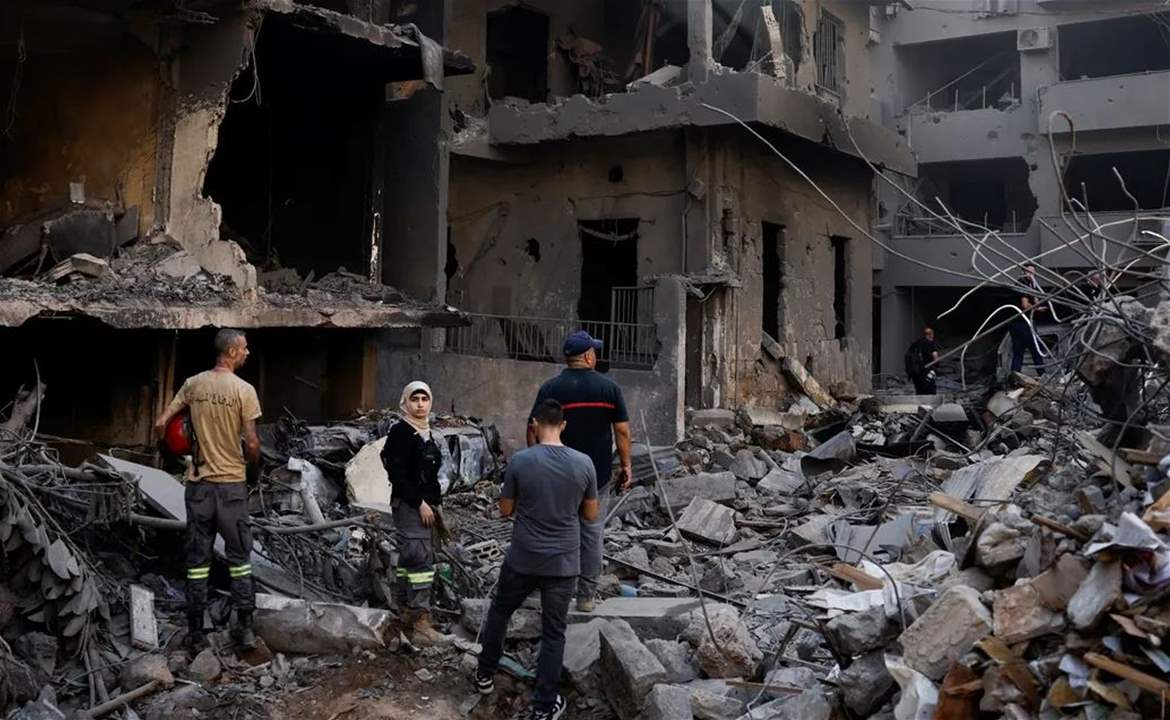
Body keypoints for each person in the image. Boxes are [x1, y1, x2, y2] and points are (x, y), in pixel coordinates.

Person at [476, 399, 599, 720]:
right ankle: (544, 707)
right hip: (563, 563)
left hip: (523, 558)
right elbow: (590, 515)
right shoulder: (584, 463)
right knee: (554, 632)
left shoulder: (520, 461)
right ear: (563, 425)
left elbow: (505, 510)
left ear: (534, 424)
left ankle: (485, 674)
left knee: (500, 611)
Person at [154, 328, 262, 650]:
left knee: (198, 562)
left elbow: (161, 423)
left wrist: (172, 454)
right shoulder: (244, 390)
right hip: (231, 488)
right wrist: (253, 471)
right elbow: (252, 443)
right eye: (244, 348)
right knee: (240, 560)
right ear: (231, 351)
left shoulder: (193, 384)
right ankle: (245, 629)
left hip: (199, 487)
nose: (247, 353)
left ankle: (196, 632)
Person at [528, 330, 631, 613]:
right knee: (591, 534)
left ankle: (541, 593)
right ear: (587, 356)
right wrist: (626, 465)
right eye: (594, 351)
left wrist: (536, 463)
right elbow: (622, 431)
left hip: (556, 475)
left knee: (550, 530)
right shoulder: (609, 388)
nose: (595, 355)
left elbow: (533, 428)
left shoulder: (551, 389)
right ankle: (586, 597)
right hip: (596, 476)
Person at [381, 381, 447, 645]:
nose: (420, 404)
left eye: (424, 399)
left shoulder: (426, 432)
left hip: (426, 506)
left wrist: (435, 504)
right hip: (411, 506)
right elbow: (397, 475)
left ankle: (406, 611)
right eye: (415, 399)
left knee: (413, 558)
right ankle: (420, 622)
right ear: (405, 402)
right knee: (420, 561)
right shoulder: (401, 432)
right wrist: (419, 502)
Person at [1009, 295, 1045, 375]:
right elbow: (1025, 305)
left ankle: (1015, 374)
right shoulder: (1025, 290)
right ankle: (1042, 374)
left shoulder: (1030, 288)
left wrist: (1036, 303)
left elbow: (1034, 301)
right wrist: (1036, 308)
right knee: (1035, 350)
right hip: (1024, 324)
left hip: (1015, 324)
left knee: (1018, 352)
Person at [905, 327, 940, 394]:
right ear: (931, 334)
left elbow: (908, 356)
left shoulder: (915, 344)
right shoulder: (931, 343)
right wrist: (937, 363)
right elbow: (935, 358)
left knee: (919, 392)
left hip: (915, 373)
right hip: (927, 371)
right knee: (930, 391)